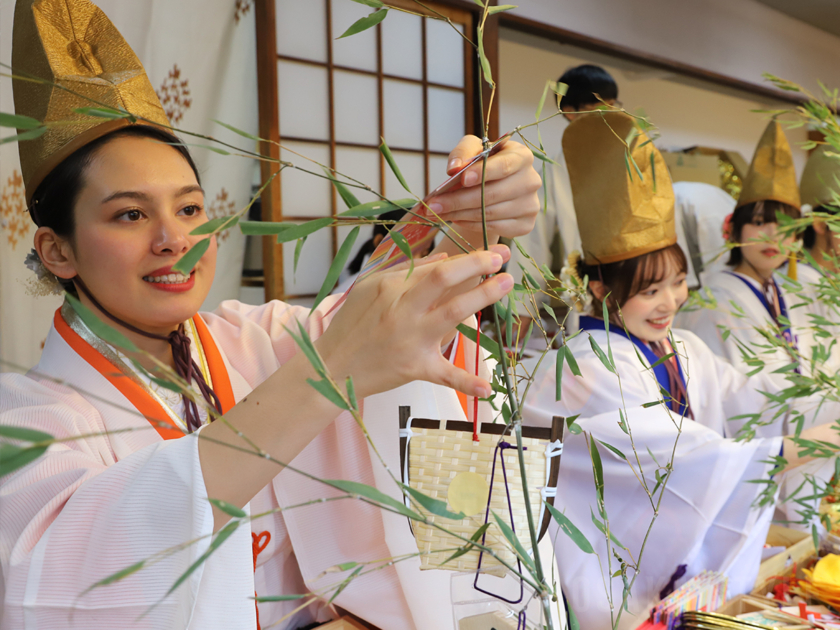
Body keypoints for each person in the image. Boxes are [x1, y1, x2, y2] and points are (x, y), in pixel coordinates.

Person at [0, 1, 542, 628]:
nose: (174, 240)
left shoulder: (256, 339)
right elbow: (62, 584)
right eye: (130, 214)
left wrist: (470, 217)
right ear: (57, 250)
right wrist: (326, 375)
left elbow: (379, 319)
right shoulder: (31, 424)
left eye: (189, 208)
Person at [521, 111, 840, 629]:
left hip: (676, 550)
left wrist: (823, 402)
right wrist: (802, 445)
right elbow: (678, 458)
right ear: (600, 290)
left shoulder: (682, 347)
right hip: (612, 563)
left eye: (677, 283)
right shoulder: (586, 367)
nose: (670, 302)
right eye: (650, 290)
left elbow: (753, 395)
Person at [505, 64, 618, 336]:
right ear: (570, 112)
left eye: (613, 106)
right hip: (588, 293)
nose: (608, 115)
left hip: (638, 286)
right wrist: (520, 314)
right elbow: (532, 243)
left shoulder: (629, 156)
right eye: (598, 107)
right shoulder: (554, 168)